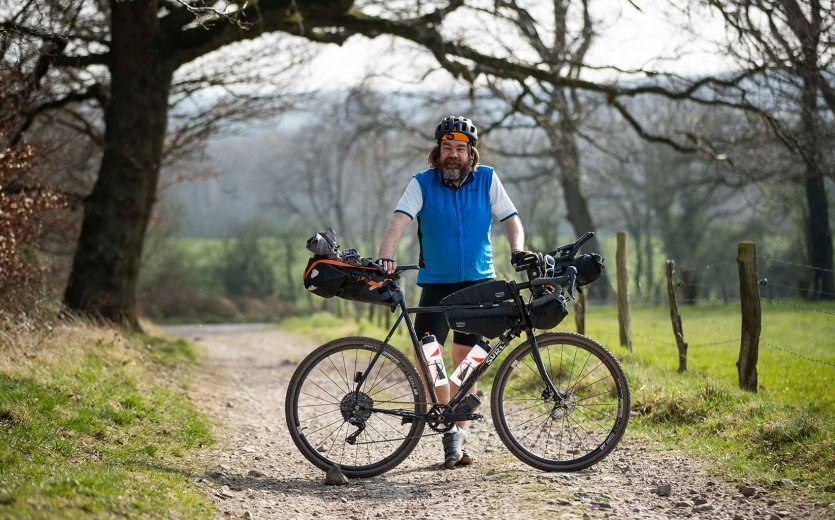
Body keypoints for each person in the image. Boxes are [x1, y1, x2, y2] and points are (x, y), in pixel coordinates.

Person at [377, 115, 526, 469]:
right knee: (428, 354)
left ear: (470, 153)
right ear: (438, 151)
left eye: (460, 148)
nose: (453, 154)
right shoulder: (422, 183)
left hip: (478, 284)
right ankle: (445, 414)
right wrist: (386, 256)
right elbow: (399, 220)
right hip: (437, 284)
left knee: (467, 358)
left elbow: (510, 219)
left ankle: (457, 433)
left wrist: (518, 249)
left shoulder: (487, 179)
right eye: (447, 148)